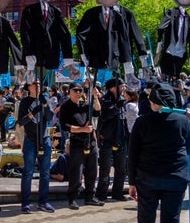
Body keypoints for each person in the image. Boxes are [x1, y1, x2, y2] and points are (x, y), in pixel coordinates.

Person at [128, 82, 190, 223]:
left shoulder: (142, 122)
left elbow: (133, 154)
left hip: (148, 179)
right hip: (175, 179)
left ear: (153, 102)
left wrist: (132, 182)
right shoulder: (183, 120)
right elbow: (188, 148)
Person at [60, 81, 103, 210]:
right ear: (70, 92)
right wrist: (81, 130)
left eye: (80, 90)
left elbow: (97, 111)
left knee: (92, 170)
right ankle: (72, 198)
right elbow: (64, 126)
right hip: (77, 141)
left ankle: (90, 196)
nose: (78, 92)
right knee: (76, 172)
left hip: (90, 141)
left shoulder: (85, 104)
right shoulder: (66, 106)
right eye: (75, 90)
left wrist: (95, 97)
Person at [16, 81, 54, 213]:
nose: (37, 86)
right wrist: (32, 113)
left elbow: (49, 118)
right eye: (34, 84)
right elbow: (20, 122)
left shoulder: (45, 99)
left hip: (44, 139)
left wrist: (45, 105)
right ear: (29, 87)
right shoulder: (25, 102)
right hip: (31, 140)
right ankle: (25, 203)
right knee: (28, 172)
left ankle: (43, 202)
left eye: (39, 84)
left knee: (45, 173)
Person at [95, 77, 130, 202]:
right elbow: (103, 117)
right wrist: (115, 108)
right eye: (121, 86)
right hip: (107, 138)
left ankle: (117, 192)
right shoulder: (104, 100)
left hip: (120, 138)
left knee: (121, 168)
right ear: (112, 88)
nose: (123, 88)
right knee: (105, 168)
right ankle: (101, 194)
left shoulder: (122, 100)